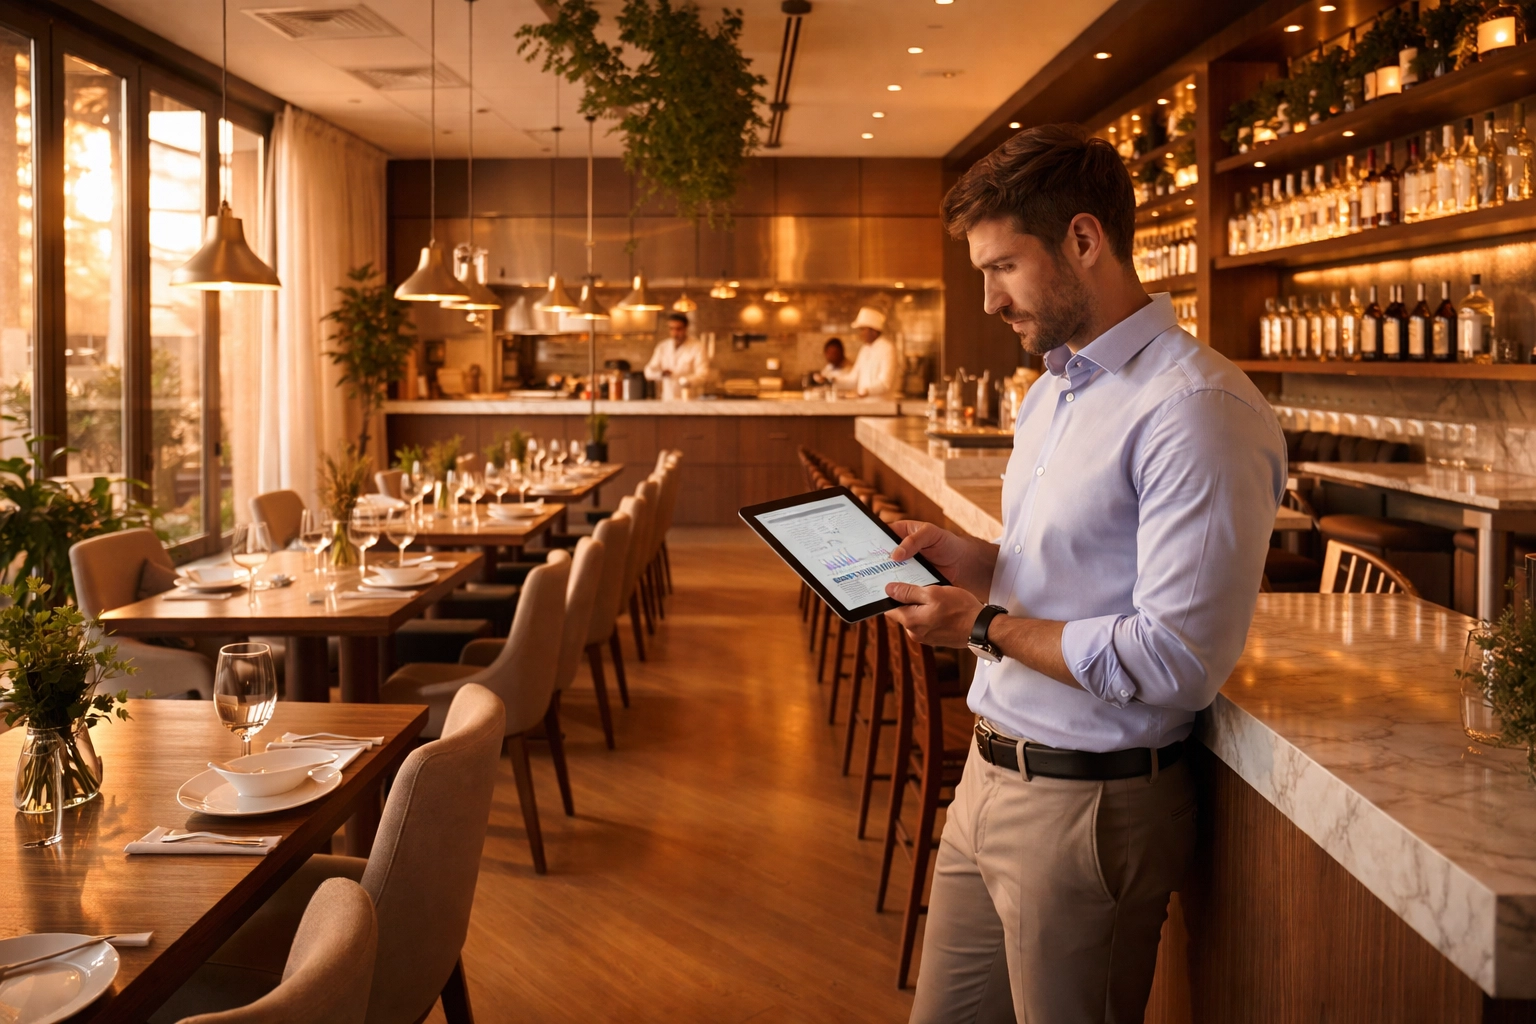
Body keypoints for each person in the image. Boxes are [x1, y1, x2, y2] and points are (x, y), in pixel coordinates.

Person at [884, 124, 1286, 1023]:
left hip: (1089, 808)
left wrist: (980, 626)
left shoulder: (1197, 409)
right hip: (987, 779)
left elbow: (1178, 659)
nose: (987, 300)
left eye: (1002, 268)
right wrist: (977, 565)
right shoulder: (1052, 392)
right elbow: (1064, 572)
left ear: (1082, 239)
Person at [643, 312, 711, 389]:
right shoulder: (662, 347)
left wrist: (684, 381)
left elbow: (703, 374)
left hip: (690, 396)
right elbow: (648, 371)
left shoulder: (697, 347)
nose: (675, 333)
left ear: (686, 328)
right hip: (667, 396)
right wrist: (661, 373)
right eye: (671, 329)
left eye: (678, 329)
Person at [847, 306, 900, 398]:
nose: (861, 334)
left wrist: (866, 391)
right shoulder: (864, 349)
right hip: (864, 406)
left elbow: (885, 384)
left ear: (874, 331)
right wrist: (832, 380)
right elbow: (853, 379)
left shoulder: (887, 348)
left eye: (863, 329)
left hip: (882, 408)